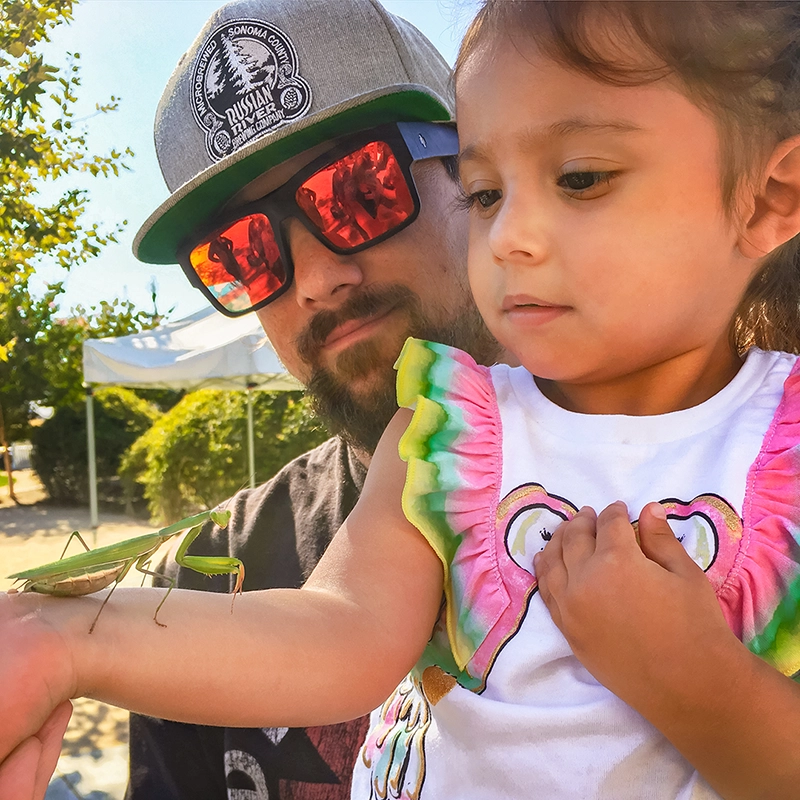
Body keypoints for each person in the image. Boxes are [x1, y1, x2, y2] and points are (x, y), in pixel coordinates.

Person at [5, 0, 800, 797]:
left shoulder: (782, 453)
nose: (315, 280)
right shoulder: (427, 445)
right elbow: (343, 634)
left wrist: (695, 682)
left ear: (768, 199)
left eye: (360, 190)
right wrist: (66, 636)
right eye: (239, 253)